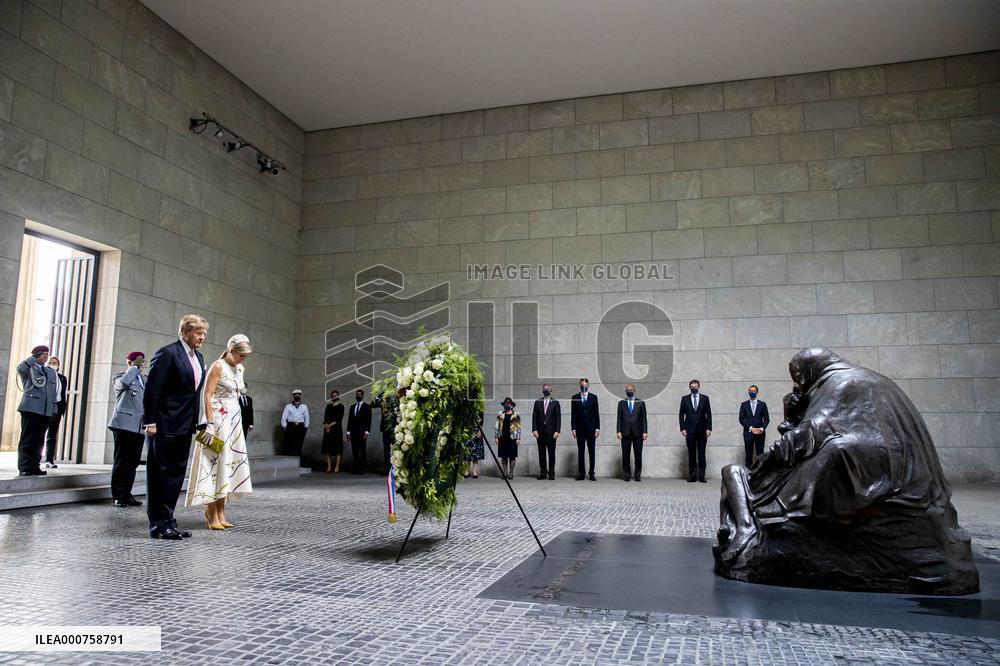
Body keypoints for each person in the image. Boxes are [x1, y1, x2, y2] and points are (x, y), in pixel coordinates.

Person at [714, 348, 979, 595]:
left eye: (798, 378)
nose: (797, 385)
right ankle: (751, 519)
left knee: (830, 453)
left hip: (877, 467)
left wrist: (767, 461)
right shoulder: (867, 379)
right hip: (898, 466)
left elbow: (812, 431)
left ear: (809, 371)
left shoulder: (840, 383)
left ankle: (759, 519)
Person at [143, 314, 209, 540]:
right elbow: (153, 390)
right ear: (185, 332)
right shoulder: (168, 353)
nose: (202, 337)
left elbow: (194, 393)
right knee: (159, 475)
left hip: (184, 426)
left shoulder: (198, 358)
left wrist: (198, 422)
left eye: (204, 334)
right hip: (162, 425)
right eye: (199, 333)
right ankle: (157, 525)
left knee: (175, 476)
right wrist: (150, 422)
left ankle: (169, 520)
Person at [185, 334, 253, 530]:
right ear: (231, 350)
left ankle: (221, 512)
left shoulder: (240, 368)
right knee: (214, 465)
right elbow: (207, 395)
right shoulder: (217, 366)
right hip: (217, 419)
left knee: (228, 465)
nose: (242, 359)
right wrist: (209, 423)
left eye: (245, 356)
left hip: (234, 421)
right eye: (240, 354)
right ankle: (211, 512)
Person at [108, 351, 147, 507]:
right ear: (130, 362)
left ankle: (127, 493)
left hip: (138, 426)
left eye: (142, 362)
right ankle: (118, 495)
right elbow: (122, 384)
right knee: (121, 461)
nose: (141, 365)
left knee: (133, 463)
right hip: (123, 425)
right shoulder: (120, 376)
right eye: (138, 362)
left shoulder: (144, 380)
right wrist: (134, 368)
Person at [15, 345, 58, 476]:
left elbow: (52, 393)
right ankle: (24, 467)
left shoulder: (50, 372)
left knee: (39, 441)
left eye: (46, 354)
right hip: (31, 409)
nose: (45, 356)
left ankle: (34, 465)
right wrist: (32, 358)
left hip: (45, 411)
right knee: (27, 439)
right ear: (36, 355)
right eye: (42, 354)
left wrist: (54, 410)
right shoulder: (29, 368)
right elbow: (20, 369)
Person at [679, 379, 712, 483]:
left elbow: (709, 414)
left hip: (702, 430)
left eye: (695, 386)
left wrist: (709, 428)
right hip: (689, 430)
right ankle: (692, 476)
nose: (694, 388)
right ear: (690, 387)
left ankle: (702, 476)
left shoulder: (705, 398)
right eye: (692, 386)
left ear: (699, 387)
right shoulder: (684, 399)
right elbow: (681, 414)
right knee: (692, 453)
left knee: (702, 453)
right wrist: (682, 428)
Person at [615, 383, 647, 482]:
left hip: (638, 432)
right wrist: (618, 431)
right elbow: (619, 418)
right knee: (625, 455)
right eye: (627, 390)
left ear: (635, 391)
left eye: (631, 390)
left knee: (638, 455)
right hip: (625, 432)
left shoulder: (641, 403)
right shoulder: (621, 403)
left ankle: (637, 475)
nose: (629, 392)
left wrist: (645, 431)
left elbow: (644, 419)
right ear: (625, 392)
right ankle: (627, 476)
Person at [570, 377, 600, 481]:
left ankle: (591, 473)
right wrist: (573, 428)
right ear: (579, 386)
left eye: (585, 386)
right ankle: (581, 474)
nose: (583, 387)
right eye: (582, 385)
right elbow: (573, 414)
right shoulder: (575, 397)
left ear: (588, 385)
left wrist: (597, 428)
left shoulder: (594, 397)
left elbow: (596, 414)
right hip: (579, 428)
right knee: (581, 451)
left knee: (591, 451)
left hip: (591, 428)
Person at [531, 384, 560, 480]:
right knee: (541, 453)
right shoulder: (537, 402)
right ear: (542, 390)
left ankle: (551, 473)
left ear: (551, 391)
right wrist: (534, 429)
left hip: (551, 433)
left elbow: (558, 418)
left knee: (551, 453)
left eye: (547, 389)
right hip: (540, 432)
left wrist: (557, 431)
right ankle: (543, 472)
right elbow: (534, 417)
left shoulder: (555, 403)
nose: (546, 390)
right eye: (544, 389)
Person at [43, 356, 68, 468]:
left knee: (52, 435)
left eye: (54, 363)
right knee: (40, 433)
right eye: (50, 362)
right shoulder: (44, 375)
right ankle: (37, 459)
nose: (52, 364)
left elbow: (62, 394)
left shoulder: (62, 378)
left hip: (57, 408)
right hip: (46, 407)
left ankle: (49, 460)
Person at [738, 385, 769, 467]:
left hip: (760, 433)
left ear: (757, 392)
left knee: (760, 455)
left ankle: (760, 475)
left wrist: (761, 429)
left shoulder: (762, 404)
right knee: (748, 454)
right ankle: (748, 474)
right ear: (748, 392)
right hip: (748, 433)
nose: (752, 392)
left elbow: (766, 419)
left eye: (754, 391)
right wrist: (751, 428)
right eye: (750, 391)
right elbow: (741, 419)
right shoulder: (744, 404)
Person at [346, 389, 372, 474]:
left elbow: (369, 421)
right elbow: (349, 420)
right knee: (355, 450)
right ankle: (356, 468)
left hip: (362, 433)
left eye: (360, 394)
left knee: (362, 450)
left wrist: (367, 432)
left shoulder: (367, 407)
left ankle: (362, 468)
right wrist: (348, 432)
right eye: (357, 394)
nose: (358, 396)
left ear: (363, 396)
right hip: (353, 432)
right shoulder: (352, 407)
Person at [495, 398, 521, 480]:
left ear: (512, 405)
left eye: (508, 404)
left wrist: (518, 438)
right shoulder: (500, 414)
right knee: (504, 456)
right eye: (505, 404)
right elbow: (497, 426)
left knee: (512, 456)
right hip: (502, 437)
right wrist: (496, 437)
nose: (507, 405)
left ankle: (511, 473)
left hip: (512, 438)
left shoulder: (516, 414)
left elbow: (518, 427)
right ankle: (504, 473)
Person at [373, 392, 397, 475]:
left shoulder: (396, 401)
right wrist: (379, 395)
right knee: (386, 451)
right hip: (385, 430)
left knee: (395, 451)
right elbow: (372, 404)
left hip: (394, 430)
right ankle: (387, 469)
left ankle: (395, 470)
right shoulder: (383, 402)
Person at [322, 389, 345, 473]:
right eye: (332, 396)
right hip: (328, 430)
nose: (334, 397)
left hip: (337, 429)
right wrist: (326, 426)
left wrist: (330, 425)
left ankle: (337, 466)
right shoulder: (328, 406)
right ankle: (329, 466)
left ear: (338, 396)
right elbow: (325, 417)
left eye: (335, 396)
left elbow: (339, 419)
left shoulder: (341, 406)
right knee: (327, 448)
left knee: (338, 448)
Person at [281, 389, 309, 454]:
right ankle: (289, 461)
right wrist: (285, 427)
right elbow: (283, 417)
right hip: (291, 426)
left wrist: (305, 427)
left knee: (299, 444)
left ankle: (298, 461)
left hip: (300, 426)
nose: (297, 396)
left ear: (300, 396)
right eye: (295, 395)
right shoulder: (288, 406)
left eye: (298, 395)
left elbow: (307, 418)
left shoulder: (304, 407)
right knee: (289, 444)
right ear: (293, 396)